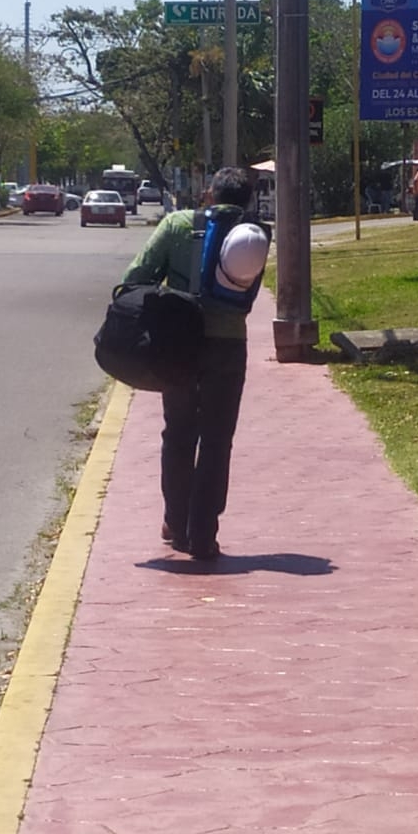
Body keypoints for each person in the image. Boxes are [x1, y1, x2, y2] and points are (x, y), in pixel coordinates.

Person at [120, 166, 270, 560]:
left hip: (179, 347)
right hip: (229, 346)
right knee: (218, 441)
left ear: (209, 195)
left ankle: (176, 522)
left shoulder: (177, 224)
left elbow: (136, 276)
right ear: (246, 202)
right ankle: (204, 533)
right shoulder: (254, 235)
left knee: (179, 433)